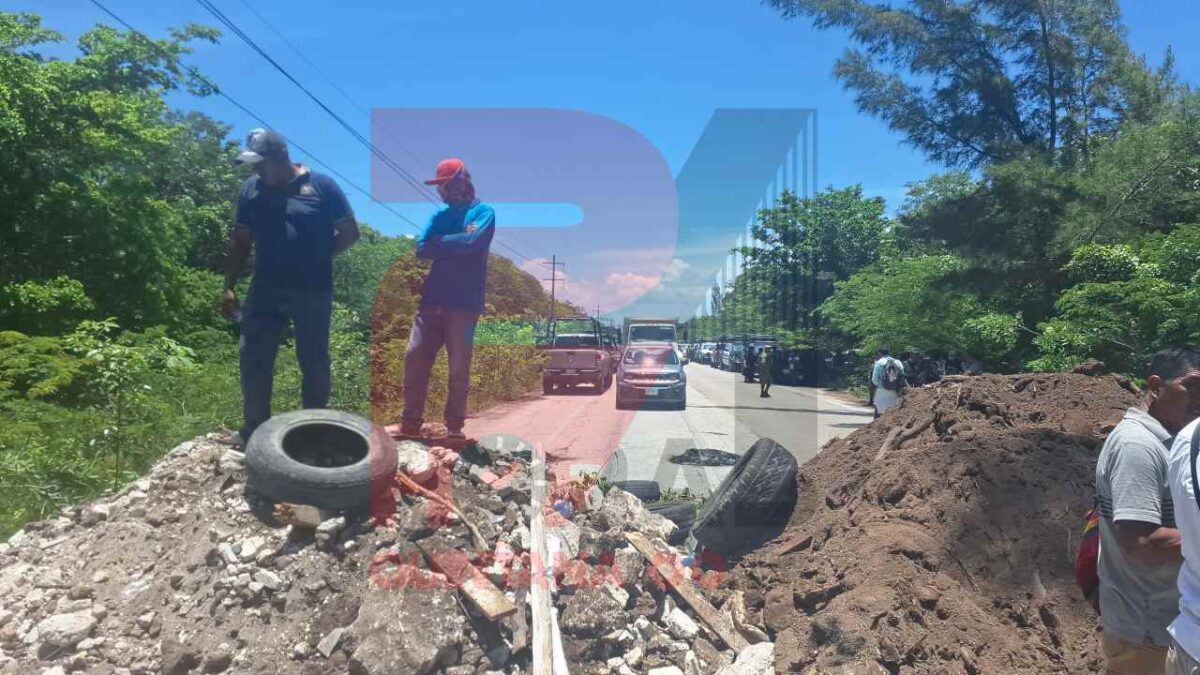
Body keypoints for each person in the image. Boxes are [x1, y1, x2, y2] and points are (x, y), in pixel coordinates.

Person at [221, 129, 359, 444]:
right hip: (265, 288)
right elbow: (241, 240)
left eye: (261, 163)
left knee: (313, 359)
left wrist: (319, 257)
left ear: (281, 157)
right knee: (253, 355)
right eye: (253, 164)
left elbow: (350, 233)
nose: (256, 170)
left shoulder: (322, 187)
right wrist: (229, 286)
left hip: (313, 289)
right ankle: (253, 429)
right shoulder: (250, 191)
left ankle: (312, 431)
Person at [1099, 348, 1200, 674]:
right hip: (1147, 626)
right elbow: (1143, 542)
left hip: (1164, 619)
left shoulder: (1173, 439)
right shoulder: (1137, 447)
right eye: (1192, 386)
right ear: (1156, 386)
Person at [398, 159, 495, 440]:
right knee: (414, 358)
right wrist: (453, 242)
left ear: (462, 181)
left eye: (446, 183)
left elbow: (472, 242)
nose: (441, 190)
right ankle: (410, 423)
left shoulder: (483, 212)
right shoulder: (439, 215)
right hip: (431, 302)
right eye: (439, 185)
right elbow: (421, 248)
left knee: (458, 368)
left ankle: (454, 427)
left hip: (464, 304)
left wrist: (440, 243)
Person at [869, 347, 905, 418]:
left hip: (882, 391)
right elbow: (902, 377)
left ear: (880, 353)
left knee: (879, 415)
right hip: (895, 391)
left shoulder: (879, 363)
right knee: (892, 415)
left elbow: (874, 380)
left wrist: (880, 386)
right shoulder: (898, 362)